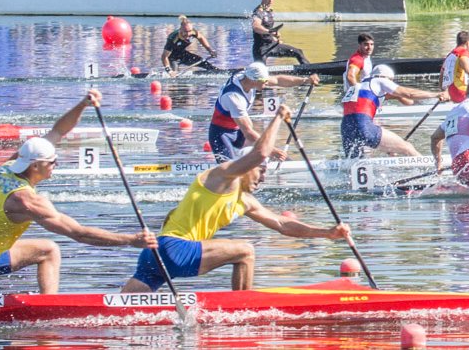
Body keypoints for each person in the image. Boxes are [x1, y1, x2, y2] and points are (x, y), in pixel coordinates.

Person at [0, 89, 155, 295]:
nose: (56, 163)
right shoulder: (26, 201)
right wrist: (130, 240)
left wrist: (82, 104)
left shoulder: (8, 169)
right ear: (35, 166)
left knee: (48, 250)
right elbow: (79, 233)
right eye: (52, 162)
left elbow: (58, 130)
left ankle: (47, 308)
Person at [120, 106, 349, 293]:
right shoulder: (222, 177)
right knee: (246, 250)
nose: (263, 177)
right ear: (246, 167)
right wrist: (278, 117)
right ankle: (243, 307)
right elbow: (259, 153)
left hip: (154, 251)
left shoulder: (245, 201)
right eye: (261, 171)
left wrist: (326, 233)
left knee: (122, 308)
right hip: (175, 248)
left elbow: (283, 224)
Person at [208, 63, 316, 162]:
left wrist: (305, 81)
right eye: (264, 81)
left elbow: (278, 80)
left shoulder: (247, 77)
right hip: (221, 134)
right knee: (229, 172)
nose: (266, 83)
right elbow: (249, 133)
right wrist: (272, 150)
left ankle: (284, 167)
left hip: (239, 130)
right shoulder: (234, 97)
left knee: (263, 154)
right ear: (254, 80)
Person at [341, 64, 438, 159]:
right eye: (392, 81)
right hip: (363, 127)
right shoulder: (380, 80)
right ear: (387, 78)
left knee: (354, 164)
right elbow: (409, 94)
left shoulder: (356, 87)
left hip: (346, 130)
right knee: (407, 148)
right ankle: (432, 171)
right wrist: (437, 95)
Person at [250, 0, 307, 64]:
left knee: (298, 52)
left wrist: (275, 37)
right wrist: (270, 32)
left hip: (272, 45)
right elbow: (256, 27)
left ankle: (311, 72)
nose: (270, 1)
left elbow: (267, 31)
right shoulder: (258, 12)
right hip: (261, 49)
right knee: (262, 72)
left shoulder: (269, 11)